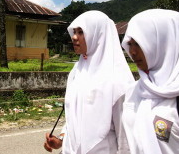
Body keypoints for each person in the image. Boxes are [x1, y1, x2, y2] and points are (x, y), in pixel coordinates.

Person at [44, 11, 135, 154]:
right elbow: (75, 115)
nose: (74, 37)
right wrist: (62, 139)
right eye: (74, 32)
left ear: (98, 36)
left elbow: (126, 138)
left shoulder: (118, 79)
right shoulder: (77, 71)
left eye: (81, 32)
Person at [121, 9, 179, 154]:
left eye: (139, 43)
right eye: (130, 44)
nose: (133, 52)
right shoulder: (135, 91)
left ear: (165, 43)